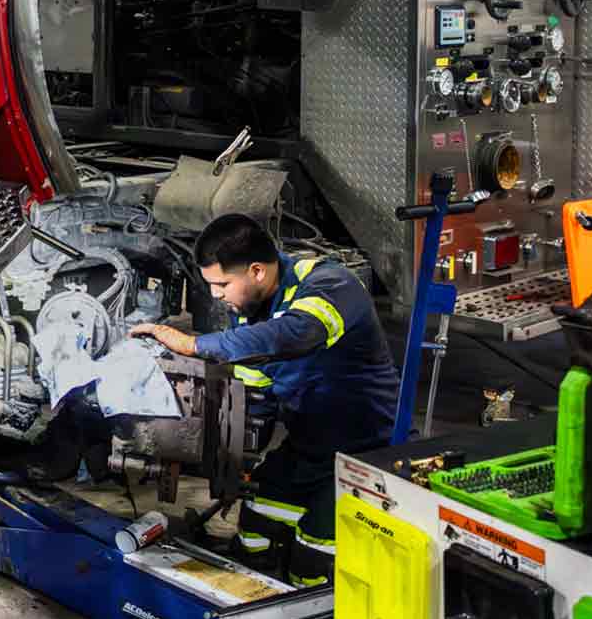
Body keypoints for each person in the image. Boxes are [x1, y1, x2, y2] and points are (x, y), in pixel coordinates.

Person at [131, 214, 399, 586]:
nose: (216, 295)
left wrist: (193, 345)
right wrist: (236, 461)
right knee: (255, 515)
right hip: (310, 447)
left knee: (315, 551)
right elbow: (257, 394)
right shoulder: (249, 313)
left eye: (222, 284)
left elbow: (293, 335)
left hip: (365, 452)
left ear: (257, 271)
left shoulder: (329, 285)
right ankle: (251, 581)